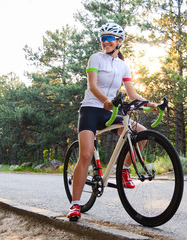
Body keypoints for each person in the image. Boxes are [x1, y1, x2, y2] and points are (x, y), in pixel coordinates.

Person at [67, 22, 157, 221]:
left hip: (110, 110)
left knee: (140, 134)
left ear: (119, 42)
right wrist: (105, 101)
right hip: (91, 109)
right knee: (86, 154)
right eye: (103, 38)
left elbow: (132, 94)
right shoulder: (95, 58)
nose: (105, 42)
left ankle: (123, 169)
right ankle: (75, 205)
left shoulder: (123, 65)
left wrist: (151, 104)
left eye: (110, 38)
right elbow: (92, 86)